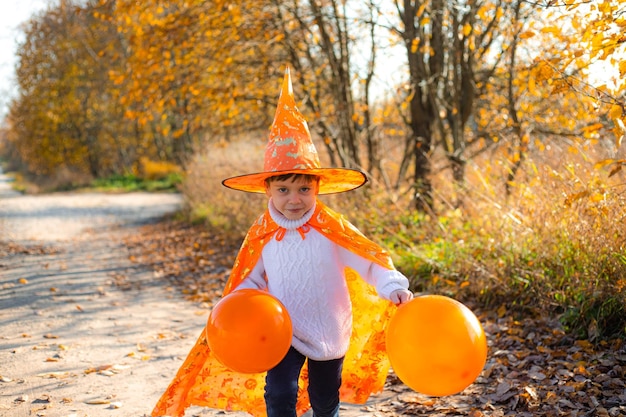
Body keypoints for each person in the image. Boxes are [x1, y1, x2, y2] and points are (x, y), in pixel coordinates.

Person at [152, 67, 413, 417]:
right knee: (278, 394)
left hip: (328, 328)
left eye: (304, 189)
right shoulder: (263, 234)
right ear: (268, 189)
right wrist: (235, 310)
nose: (295, 199)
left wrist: (391, 284)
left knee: (324, 400)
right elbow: (251, 281)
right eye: (284, 189)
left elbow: (370, 261)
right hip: (281, 331)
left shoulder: (330, 229)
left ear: (317, 188)